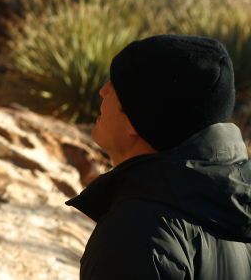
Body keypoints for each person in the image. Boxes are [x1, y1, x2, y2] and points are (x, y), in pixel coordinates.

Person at [67, 34, 251, 279]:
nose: (102, 91)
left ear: (139, 117)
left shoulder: (135, 236)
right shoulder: (232, 210)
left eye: (117, 85)